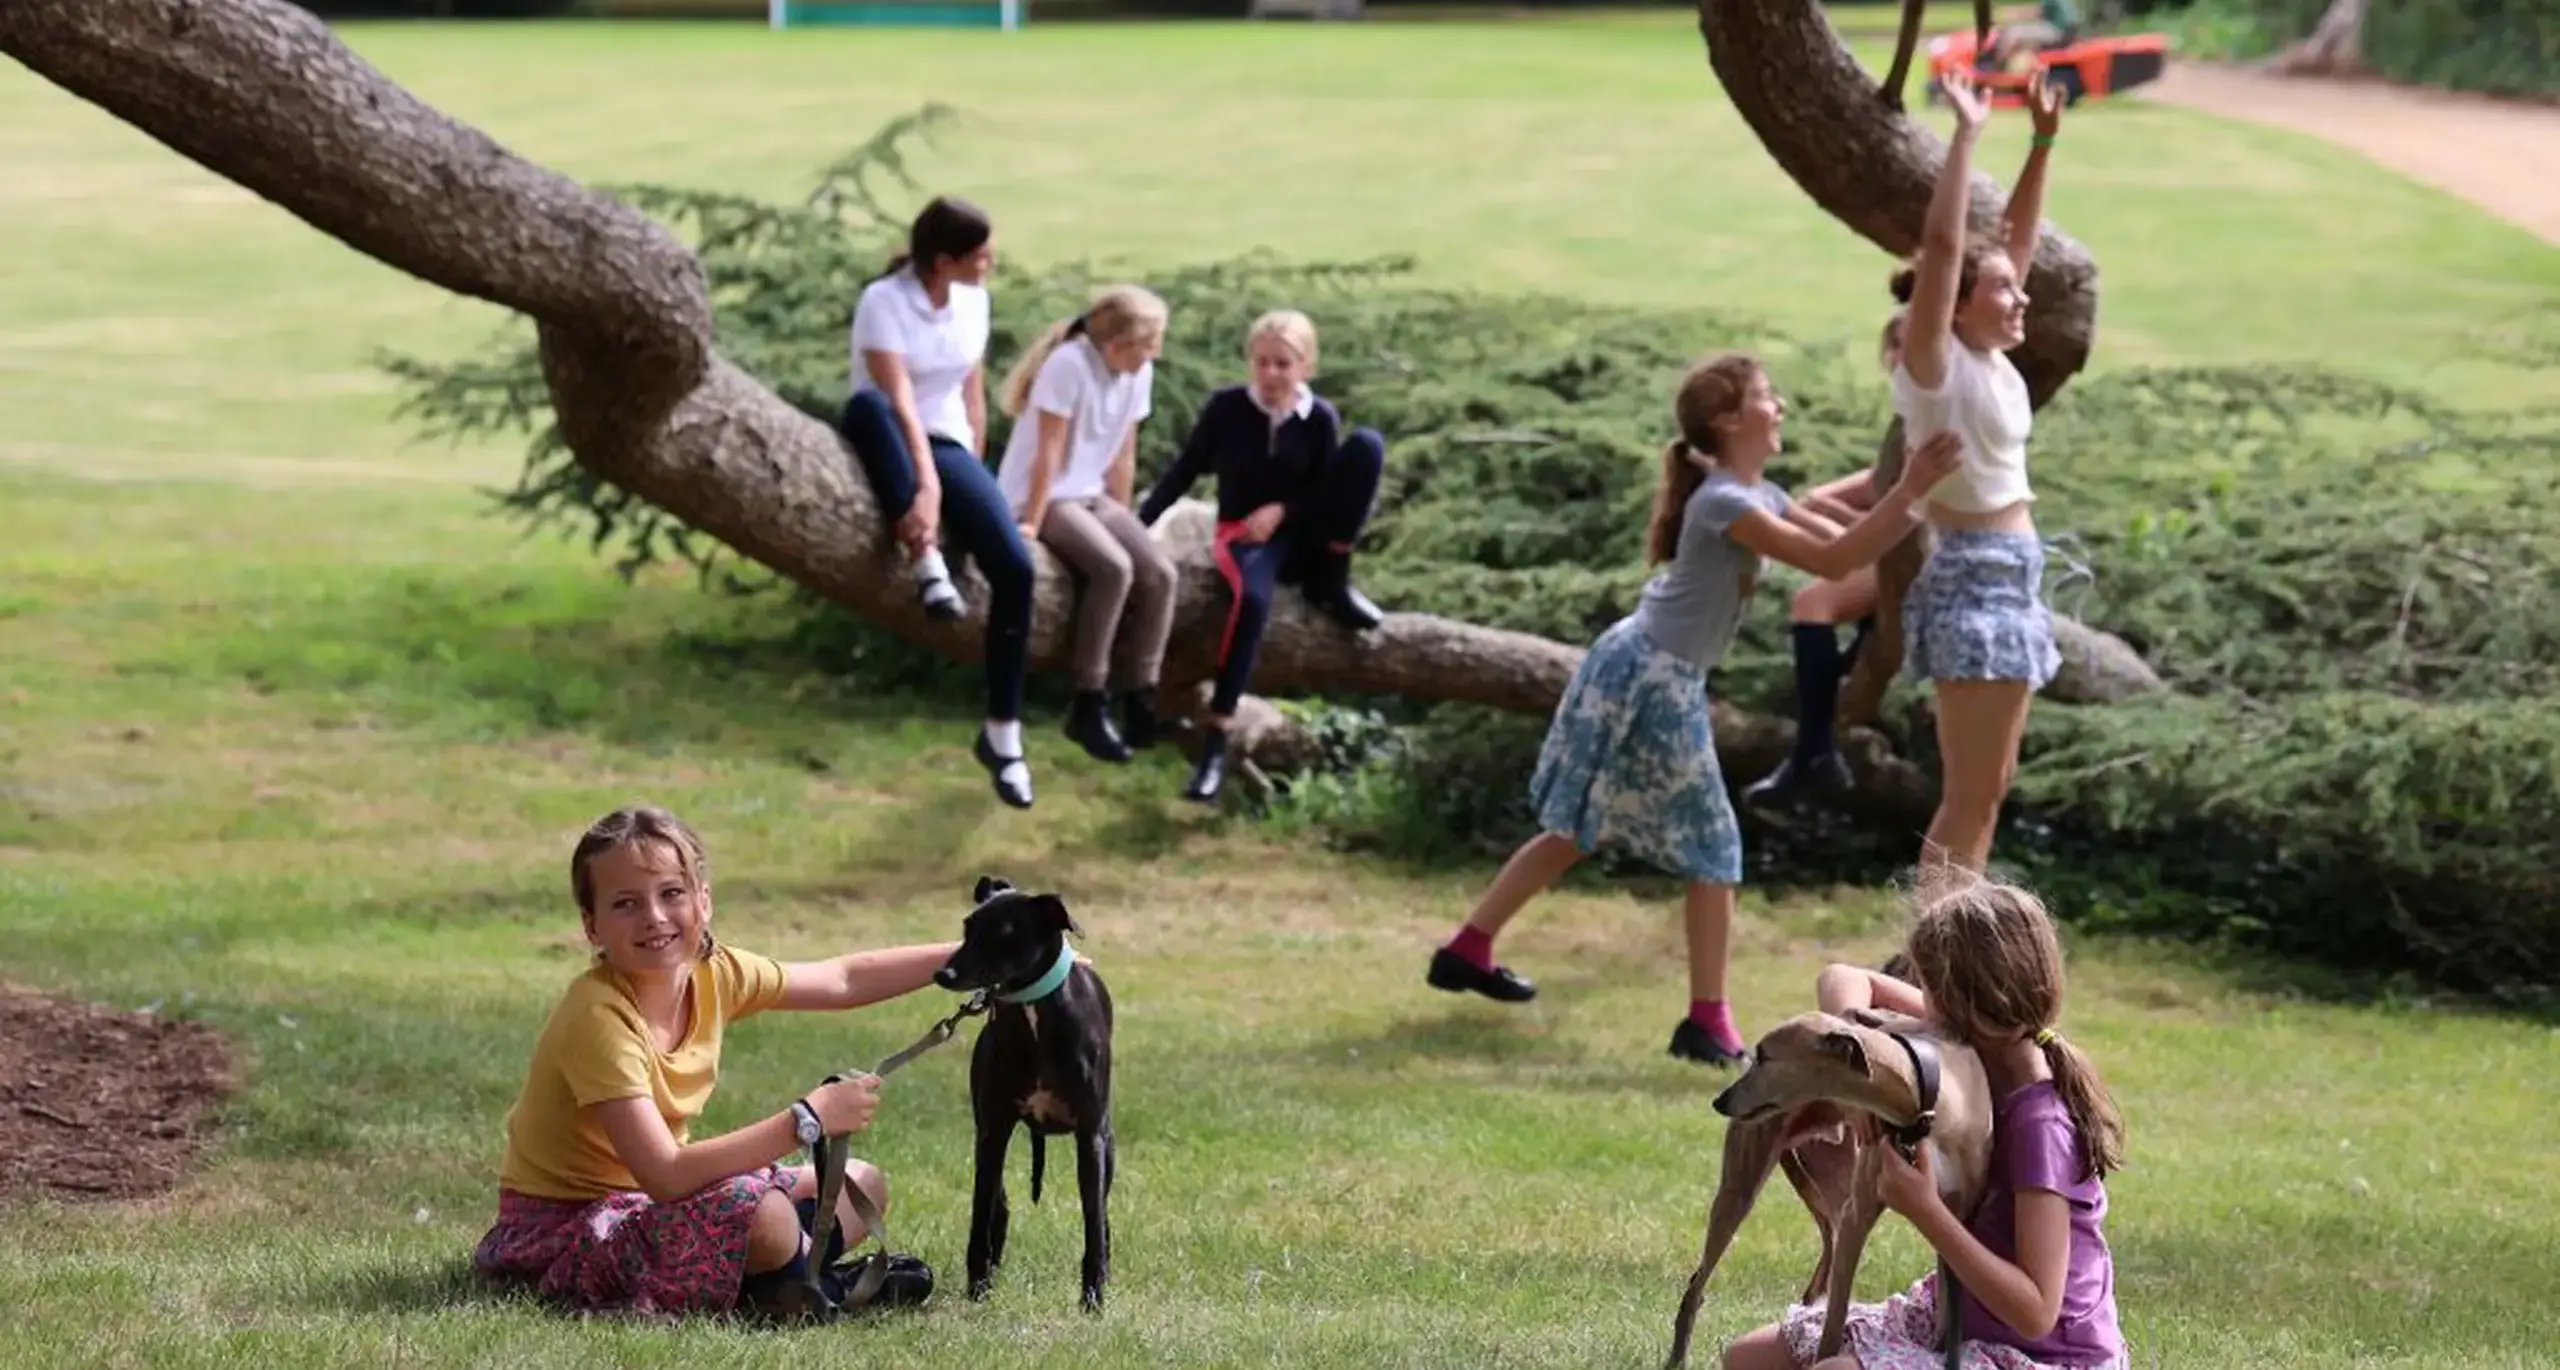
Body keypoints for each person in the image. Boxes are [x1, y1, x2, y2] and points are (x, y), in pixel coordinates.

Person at [1422, 352, 1963, 1066]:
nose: (1783, 409)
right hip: (1649, 675)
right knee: (1714, 848)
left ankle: (1468, 949)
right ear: (1727, 421)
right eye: (1769, 398)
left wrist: (1899, 480)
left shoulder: (1751, 491)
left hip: (1653, 670)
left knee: (1581, 828)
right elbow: (1832, 561)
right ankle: (1707, 1022)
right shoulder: (1726, 504)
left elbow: (1840, 530)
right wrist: (1912, 492)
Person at [472, 804, 957, 1320]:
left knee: (863, 1182)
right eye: (626, 903)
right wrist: (806, 1120)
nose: (654, 917)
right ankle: (812, 1287)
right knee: (765, 1216)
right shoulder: (598, 1016)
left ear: (704, 901)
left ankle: (793, 1286)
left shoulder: (715, 973)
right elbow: (664, 1174)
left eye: (671, 893)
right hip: (568, 1232)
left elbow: (843, 979)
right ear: (592, 928)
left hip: (655, 1209)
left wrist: (976, 952)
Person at [1723, 877, 2130, 1370]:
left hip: (2040, 1357)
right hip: (1952, 1314)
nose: (1920, 997)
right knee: (1749, 1360)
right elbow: (1845, 978)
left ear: (1964, 1001)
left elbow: (2036, 1311)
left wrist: (1924, 1209)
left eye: (1927, 985)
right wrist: (1856, 1080)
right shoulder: (1976, 1039)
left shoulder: (2040, 1125)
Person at [1893, 69, 2065, 880]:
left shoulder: (1992, 359)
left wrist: (2041, 141)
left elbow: (2012, 245)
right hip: (1970, 579)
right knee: (1967, 795)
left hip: (2014, 578)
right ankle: (1929, 952)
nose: (2021, 296)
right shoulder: (1935, 368)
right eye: (2002, 289)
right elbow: (1945, 250)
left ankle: (1946, 954)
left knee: (1990, 790)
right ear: (1956, 305)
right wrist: (1965, 136)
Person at [834, 194, 1043, 810]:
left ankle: (1003, 733)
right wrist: (927, 489)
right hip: (890, 431)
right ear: (944, 259)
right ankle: (926, 563)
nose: (991, 264)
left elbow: (970, 390)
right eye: (982, 256)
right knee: (869, 408)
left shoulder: (974, 301)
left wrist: (972, 475)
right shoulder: (884, 302)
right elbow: (900, 401)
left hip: (946, 438)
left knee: (1016, 567)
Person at [1134, 308, 1388, 804]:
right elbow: (1185, 470)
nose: (1271, 374)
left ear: (1305, 367)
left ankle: (1332, 580)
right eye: (1262, 362)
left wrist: (1284, 510)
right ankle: (1217, 738)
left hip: (1301, 533)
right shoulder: (1227, 408)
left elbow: (1321, 490)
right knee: (1251, 601)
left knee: (1367, 448)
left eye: (1283, 364)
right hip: (1244, 536)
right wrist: (1139, 527)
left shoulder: (1319, 419)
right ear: (1250, 361)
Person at [993, 283, 1179, 765]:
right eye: (1148, 344)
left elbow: (1122, 451)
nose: (1155, 354)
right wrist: (1029, 525)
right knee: (1113, 569)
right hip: (1046, 494)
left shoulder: (1138, 373)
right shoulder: (1069, 366)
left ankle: (1141, 695)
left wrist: (1124, 518)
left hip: (1088, 492)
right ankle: (1088, 700)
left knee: (1160, 574)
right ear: (1115, 345)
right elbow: (1048, 453)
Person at [1744, 311, 1910, 805]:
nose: (1902, 357)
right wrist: (1825, 500)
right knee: (1822, 592)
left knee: (1812, 603)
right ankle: (1824, 722)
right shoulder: (1908, 412)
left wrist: (1836, 512)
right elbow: (1883, 479)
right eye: (1894, 348)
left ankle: (1814, 751)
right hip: (1901, 548)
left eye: (1910, 347)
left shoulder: (1931, 405)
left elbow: (1910, 497)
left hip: (1928, 556)